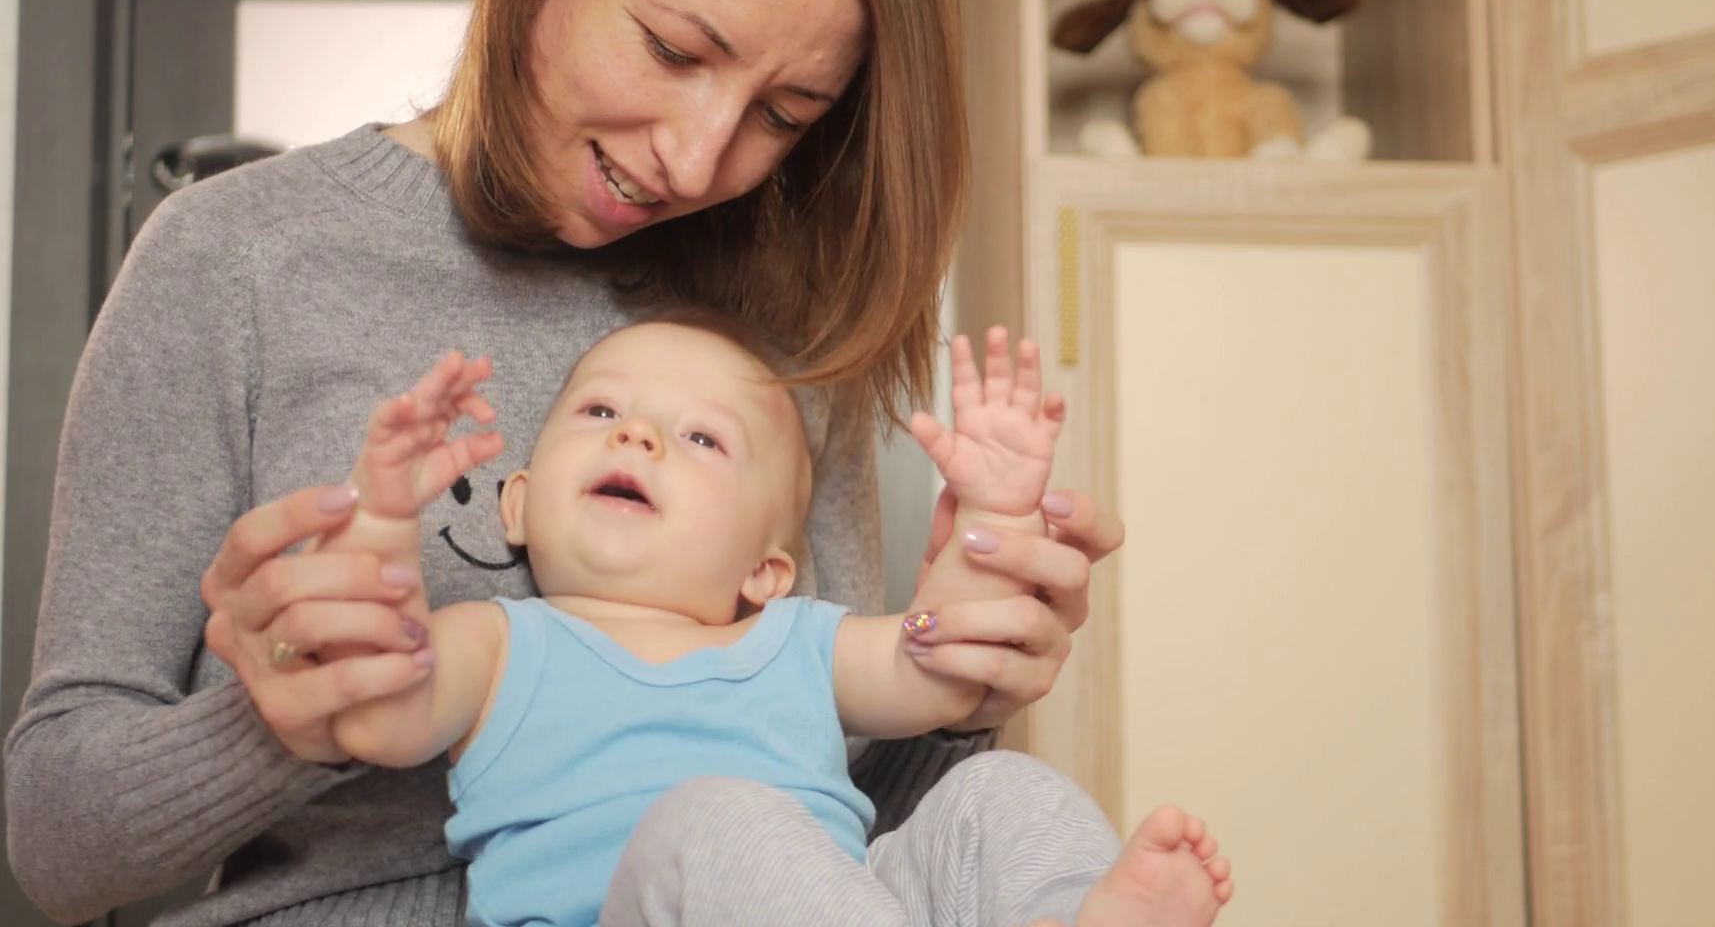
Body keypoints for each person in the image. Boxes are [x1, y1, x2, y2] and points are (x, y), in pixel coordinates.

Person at [2, 0, 1126, 924]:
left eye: (783, 115)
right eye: (674, 51)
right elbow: (53, 842)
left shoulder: (780, 339)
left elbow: (838, 807)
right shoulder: (236, 257)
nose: (697, 158)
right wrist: (282, 723)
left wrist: (966, 667)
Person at [320, 314, 1231, 927]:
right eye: (601, 410)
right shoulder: (497, 644)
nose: (637, 435)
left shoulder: (794, 642)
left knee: (998, 794)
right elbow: (373, 711)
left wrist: (995, 512)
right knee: (712, 820)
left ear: (766, 571)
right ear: (516, 505)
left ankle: (1071, 913)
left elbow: (945, 661)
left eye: (702, 438)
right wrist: (378, 524)